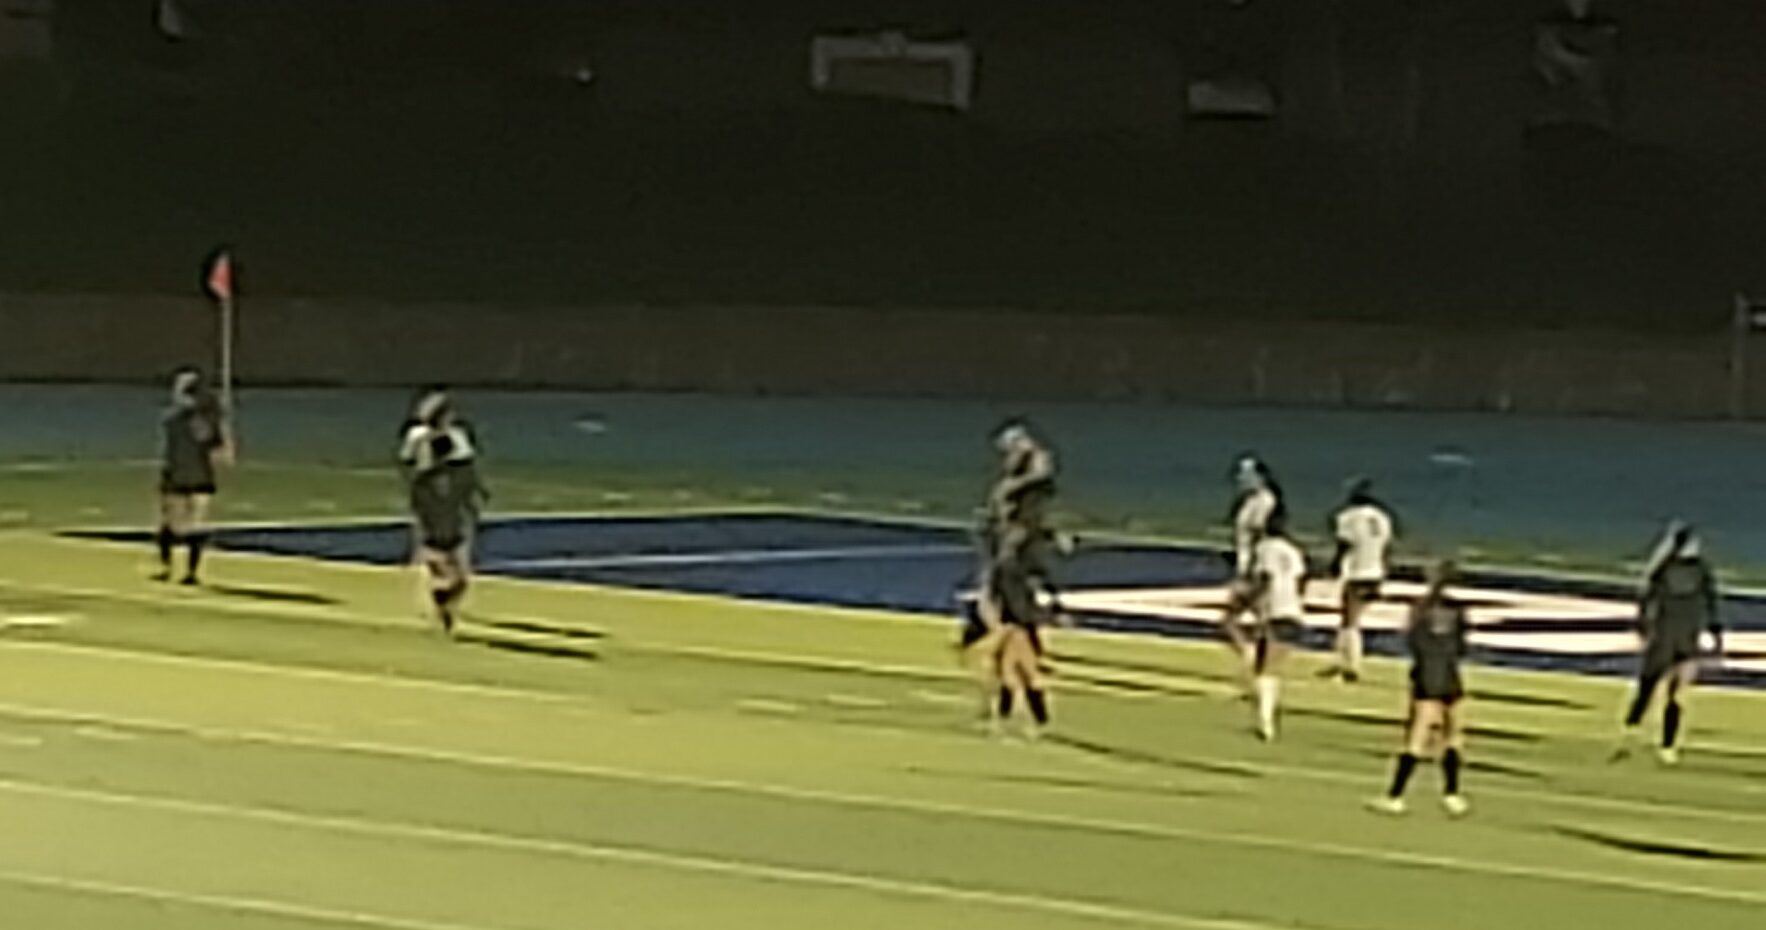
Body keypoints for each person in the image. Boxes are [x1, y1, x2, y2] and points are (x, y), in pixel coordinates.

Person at [1613, 523, 1722, 765]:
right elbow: (1711, 604)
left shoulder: (1675, 570)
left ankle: (1653, 741)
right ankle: (1648, 740)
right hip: (1675, 637)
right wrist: (1716, 639)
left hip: (1675, 637)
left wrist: (1643, 626)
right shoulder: (1684, 570)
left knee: (1664, 691)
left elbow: (1646, 601)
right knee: (1658, 689)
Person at [1370, 559, 1471, 817]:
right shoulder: (1458, 610)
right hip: (1451, 674)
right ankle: (1452, 794)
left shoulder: (1420, 608)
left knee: (1416, 737)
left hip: (1428, 674)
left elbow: (1413, 641)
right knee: (1454, 735)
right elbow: (1462, 645)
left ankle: (1396, 795)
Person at [398, 390, 488, 633]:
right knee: (451, 553)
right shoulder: (438, 440)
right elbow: (464, 471)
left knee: (439, 549)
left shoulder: (420, 438)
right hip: (441, 501)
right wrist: (472, 495)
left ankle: (443, 592)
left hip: (433, 500)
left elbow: (408, 468)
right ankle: (446, 593)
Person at [153, 368, 229, 585]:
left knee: (189, 524)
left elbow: (211, 443)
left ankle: (180, 569)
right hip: (186, 475)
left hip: (190, 476)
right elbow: (215, 445)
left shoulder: (180, 419)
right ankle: (176, 568)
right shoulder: (182, 419)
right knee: (179, 523)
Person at [988, 521, 1059, 738]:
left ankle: (1024, 720)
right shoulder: (1012, 568)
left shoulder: (1012, 569)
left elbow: (1013, 598)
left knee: (1014, 672)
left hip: (1020, 625)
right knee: (1015, 672)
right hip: (1020, 624)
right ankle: (1033, 719)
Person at [1245, 508, 1306, 741]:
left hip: (1273, 609)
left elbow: (1264, 578)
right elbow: (1300, 581)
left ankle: (1265, 720)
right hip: (1293, 610)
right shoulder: (1293, 551)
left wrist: (1253, 602)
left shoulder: (1264, 549)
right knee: (1272, 668)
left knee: (1264, 668)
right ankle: (1266, 716)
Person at [1327, 478, 1396, 683]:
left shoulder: (1348, 517)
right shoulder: (1382, 517)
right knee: (1352, 620)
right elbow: (1387, 546)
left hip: (1357, 572)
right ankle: (1341, 661)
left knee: (1349, 621)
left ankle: (1351, 665)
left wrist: (1335, 565)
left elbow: (1344, 544)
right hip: (1376, 571)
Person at [1221, 454, 1285, 671]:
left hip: (1256, 568)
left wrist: (1251, 570)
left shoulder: (1265, 501)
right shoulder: (1249, 502)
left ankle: (1257, 661)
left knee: (1235, 619)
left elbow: (1260, 535)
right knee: (1257, 620)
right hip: (1248, 565)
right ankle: (1259, 662)